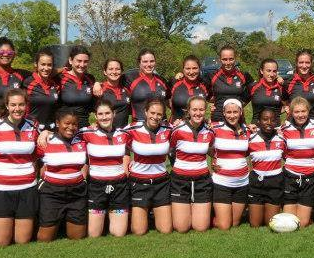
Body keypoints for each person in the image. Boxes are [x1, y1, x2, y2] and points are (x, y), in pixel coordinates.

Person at [0, 88, 40, 246]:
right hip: (0, 189)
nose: (17, 109)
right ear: (7, 106)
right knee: (1, 241)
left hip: (27, 188)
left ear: (26, 105)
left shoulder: (33, 127)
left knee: (22, 241)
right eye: (13, 105)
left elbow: (36, 154)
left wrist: (46, 132)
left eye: (21, 104)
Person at [35, 108, 88, 242]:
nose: (71, 127)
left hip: (77, 192)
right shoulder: (46, 141)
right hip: (52, 192)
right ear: (57, 123)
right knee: (45, 238)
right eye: (67, 123)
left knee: (77, 237)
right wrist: (45, 132)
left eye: (74, 124)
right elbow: (36, 164)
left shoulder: (82, 139)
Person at [80, 101, 130, 238]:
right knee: (94, 234)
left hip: (119, 185)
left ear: (114, 114)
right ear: (95, 116)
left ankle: (111, 215)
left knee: (118, 233)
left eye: (107, 113)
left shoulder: (124, 133)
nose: (104, 117)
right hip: (96, 186)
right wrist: (46, 133)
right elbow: (65, 131)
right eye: (100, 114)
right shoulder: (86, 132)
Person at [169, 96, 215, 232]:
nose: (198, 113)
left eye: (201, 109)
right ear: (188, 110)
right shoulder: (177, 130)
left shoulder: (209, 131)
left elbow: (213, 151)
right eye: (194, 109)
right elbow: (168, 150)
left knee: (201, 227)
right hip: (180, 180)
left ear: (205, 111)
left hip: (202, 180)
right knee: (182, 228)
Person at [127, 98, 173, 235]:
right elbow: (111, 134)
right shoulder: (132, 129)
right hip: (139, 183)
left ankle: (152, 213)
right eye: (152, 113)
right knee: (139, 231)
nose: (155, 117)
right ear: (145, 112)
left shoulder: (169, 129)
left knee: (166, 230)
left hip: (161, 183)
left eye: (159, 114)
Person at [280, 97, 314, 227]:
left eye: (303, 111)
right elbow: (281, 150)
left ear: (308, 111)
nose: (300, 115)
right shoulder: (284, 129)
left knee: (302, 223)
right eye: (297, 112)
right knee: (289, 221)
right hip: (290, 175)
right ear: (291, 113)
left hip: (310, 175)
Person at [210, 99, 251, 230]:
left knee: (234, 223)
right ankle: (205, 217)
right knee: (224, 225)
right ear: (223, 113)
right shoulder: (214, 128)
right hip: (221, 182)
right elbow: (203, 145)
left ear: (240, 112)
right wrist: (214, 158)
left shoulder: (248, 130)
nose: (232, 115)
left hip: (242, 183)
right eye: (228, 112)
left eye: (235, 112)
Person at [247, 108, 286, 227]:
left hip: (275, 181)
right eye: (265, 119)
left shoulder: (282, 138)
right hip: (257, 182)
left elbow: (289, 157)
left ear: (276, 122)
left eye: (272, 120)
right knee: (255, 225)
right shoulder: (250, 138)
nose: (269, 122)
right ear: (258, 121)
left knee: (270, 223)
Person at [208, 45, 252, 123]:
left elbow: (256, 88)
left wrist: (242, 103)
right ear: (219, 60)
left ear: (235, 59)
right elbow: (198, 87)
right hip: (218, 118)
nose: (228, 63)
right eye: (224, 59)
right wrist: (180, 75)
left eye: (231, 59)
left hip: (238, 119)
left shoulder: (244, 75)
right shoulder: (212, 76)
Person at [125, 49, 169, 123]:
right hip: (139, 128)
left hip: (161, 127)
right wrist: (98, 84)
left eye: (152, 61)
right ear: (139, 63)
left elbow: (172, 100)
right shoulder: (129, 78)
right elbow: (112, 81)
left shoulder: (162, 80)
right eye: (145, 62)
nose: (149, 65)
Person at [59, 45, 97, 127]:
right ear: (70, 60)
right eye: (79, 61)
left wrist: (97, 84)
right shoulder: (60, 78)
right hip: (65, 128)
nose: (82, 65)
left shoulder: (90, 79)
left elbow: (95, 105)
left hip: (84, 128)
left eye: (85, 61)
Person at [23, 49, 61, 131]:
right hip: (31, 129)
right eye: (43, 64)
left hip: (50, 130)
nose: (46, 68)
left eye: (49, 65)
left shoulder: (54, 84)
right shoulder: (27, 83)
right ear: (36, 64)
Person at [169, 55, 208, 123]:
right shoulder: (174, 82)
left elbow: (213, 98)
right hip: (177, 127)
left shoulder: (204, 84)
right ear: (183, 69)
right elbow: (165, 100)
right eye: (188, 68)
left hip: (198, 127)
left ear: (199, 68)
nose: (191, 72)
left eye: (195, 68)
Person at [282, 50, 314, 118]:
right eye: (301, 62)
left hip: (312, 121)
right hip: (293, 122)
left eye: (307, 62)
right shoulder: (288, 82)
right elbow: (283, 99)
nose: (304, 66)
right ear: (296, 63)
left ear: (311, 64)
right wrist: (287, 107)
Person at [98, 58, 132, 130]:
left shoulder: (127, 90)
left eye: (117, 69)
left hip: (122, 134)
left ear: (121, 71)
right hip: (104, 134)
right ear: (105, 72)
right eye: (110, 69)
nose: (114, 72)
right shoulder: (99, 90)